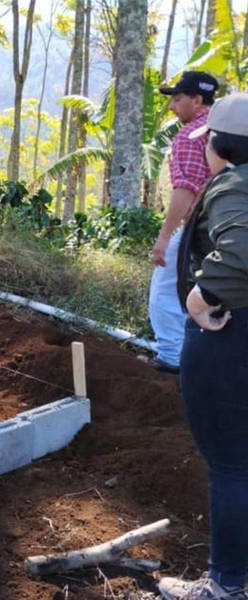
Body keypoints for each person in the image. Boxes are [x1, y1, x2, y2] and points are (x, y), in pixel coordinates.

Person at [158, 93, 248, 600]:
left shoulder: (234, 185)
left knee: (233, 466)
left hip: (231, 338)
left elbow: (240, 252)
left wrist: (200, 296)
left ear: (223, 144)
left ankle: (226, 585)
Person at [145, 71, 219, 374]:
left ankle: (172, 356)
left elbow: (185, 190)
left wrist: (164, 238)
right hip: (229, 226)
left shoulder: (191, 136)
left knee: (164, 290)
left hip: (197, 225)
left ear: (197, 99)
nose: (172, 107)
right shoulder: (227, 127)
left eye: (177, 99)